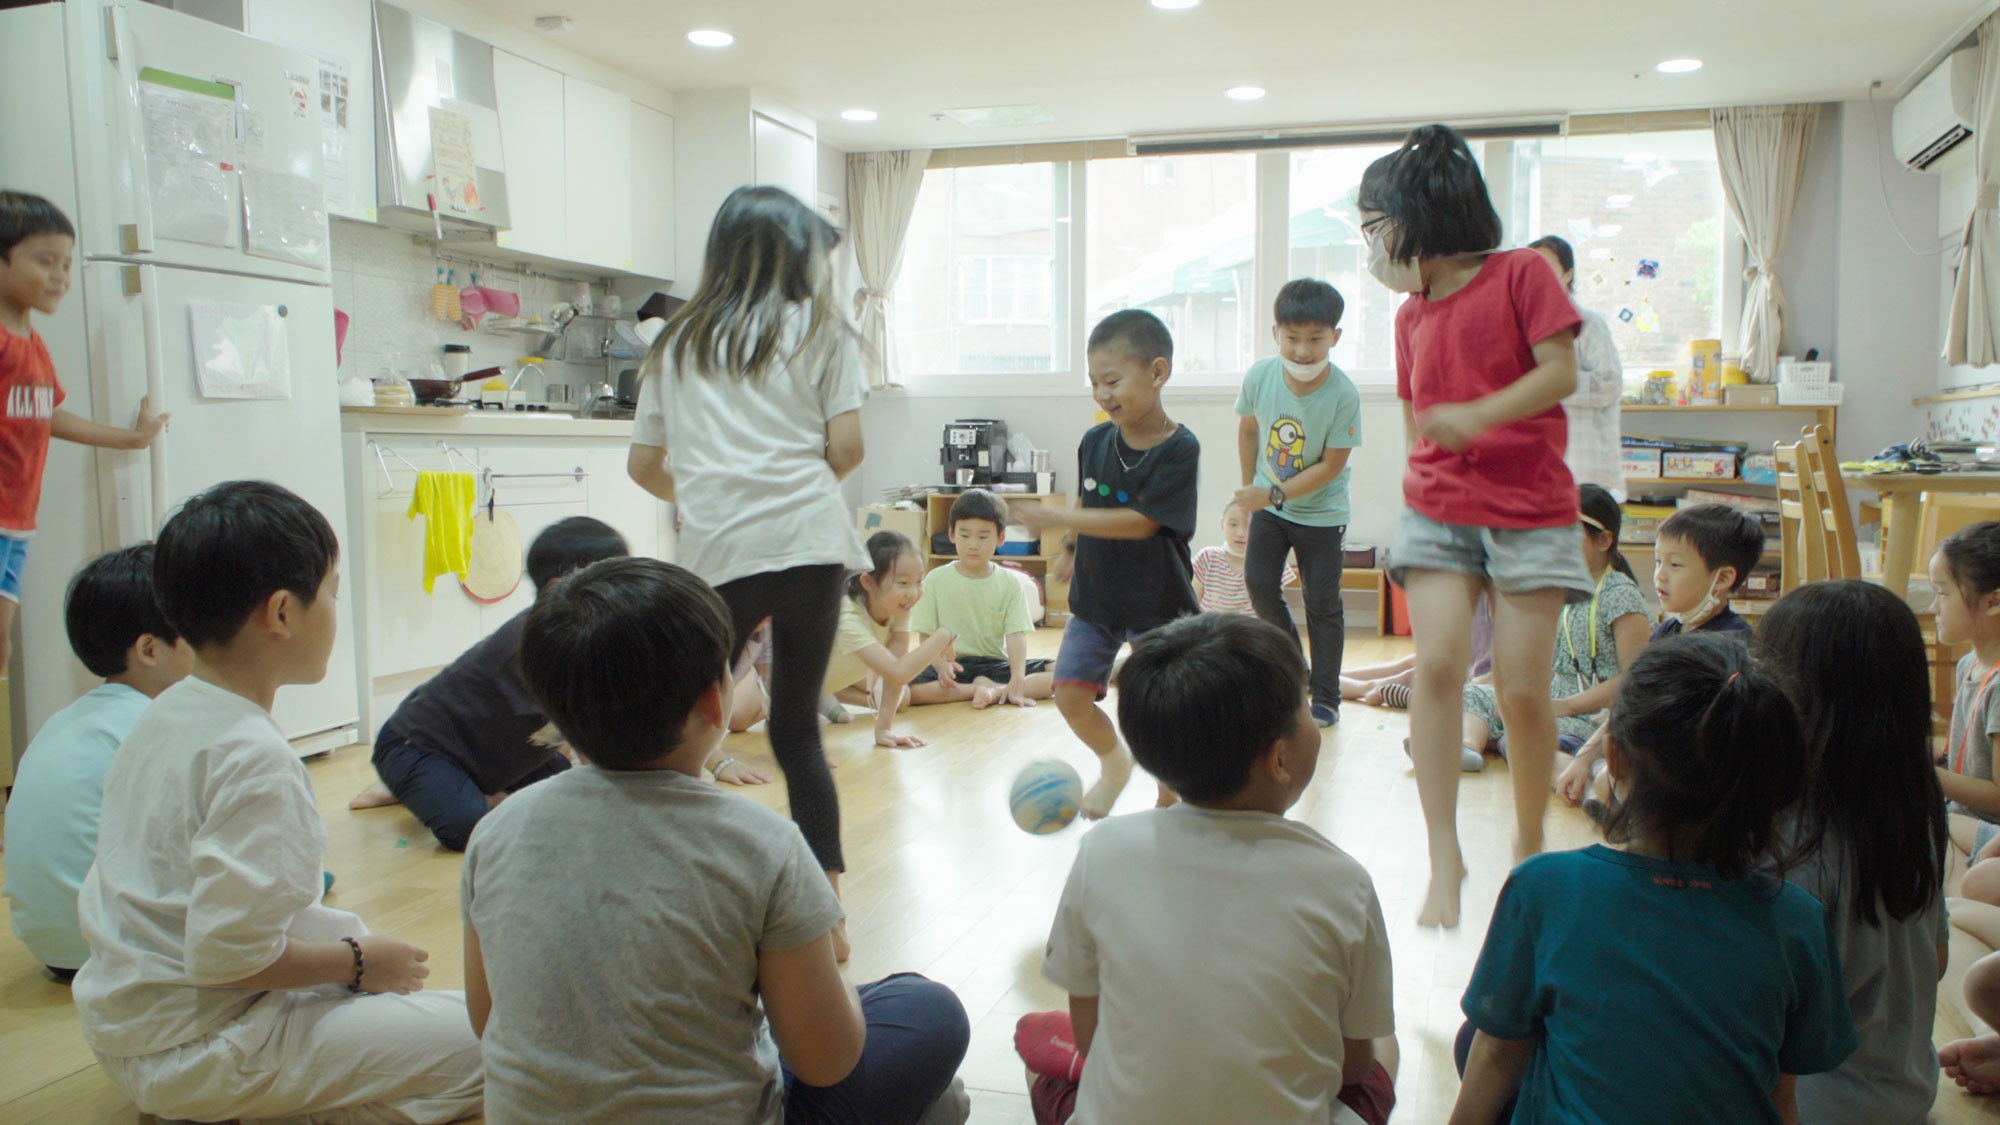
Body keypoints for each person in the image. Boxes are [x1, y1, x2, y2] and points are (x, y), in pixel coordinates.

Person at [463, 556, 970, 1124]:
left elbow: (487, 1020)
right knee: (927, 1009)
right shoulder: (763, 843)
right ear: (715, 699)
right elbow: (828, 1061)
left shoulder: (497, 831)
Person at [73, 481, 482, 1124]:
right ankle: (267, 1107)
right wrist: (357, 965)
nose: (336, 608)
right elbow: (225, 958)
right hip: (205, 1046)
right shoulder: (253, 758)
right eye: (334, 590)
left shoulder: (166, 710)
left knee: (392, 986)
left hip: (128, 1029)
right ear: (283, 613)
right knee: (502, 1045)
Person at [1450, 634, 1856, 1125]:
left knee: (1482, 1037)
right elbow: (1779, 1096)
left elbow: (1496, 1056)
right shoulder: (1797, 920)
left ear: (1616, 760)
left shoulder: (1546, 887)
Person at [1018, 613, 1396, 1125]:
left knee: (1040, 1055)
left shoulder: (1103, 850)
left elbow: (1089, 1038)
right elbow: (1353, 1064)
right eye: (1305, 709)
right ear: (1280, 758)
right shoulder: (1343, 881)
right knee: (1384, 1049)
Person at [626, 185, 867, 958]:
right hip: (809, 541)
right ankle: (827, 915)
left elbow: (643, 465)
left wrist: (704, 494)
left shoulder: (676, 339)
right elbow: (849, 449)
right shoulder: (825, 331)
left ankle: (668, 896)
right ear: (795, 255)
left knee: (685, 725)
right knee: (797, 729)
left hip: (719, 551)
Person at [1358, 124, 1587, 927]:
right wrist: (1423, 468)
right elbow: (1417, 418)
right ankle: (1443, 851)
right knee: (1440, 667)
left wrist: (1480, 416)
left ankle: (1528, 848)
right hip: (1439, 506)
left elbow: (1561, 370)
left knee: (1523, 690)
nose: (1372, 247)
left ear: (1417, 216)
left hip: (1531, 508)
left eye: (1374, 226)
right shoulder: (1410, 316)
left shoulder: (1522, 272)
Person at [350, 517, 769, 848]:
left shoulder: (582, 633)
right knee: (469, 827)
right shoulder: (546, 640)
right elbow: (603, 731)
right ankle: (416, 784)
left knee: (563, 793)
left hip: (512, 754)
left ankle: (428, 791)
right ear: (563, 584)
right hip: (420, 746)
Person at [1758, 581, 1949, 1125]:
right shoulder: (1915, 805)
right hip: (1904, 1093)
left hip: (1807, 1108)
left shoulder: (1781, 833)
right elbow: (1934, 960)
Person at [1014, 310, 1200, 819]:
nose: (1102, 393)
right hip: (1096, 599)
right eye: (1094, 382)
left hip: (1159, 604)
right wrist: (1071, 546)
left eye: (1113, 381)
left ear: (1158, 372)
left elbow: (1143, 522)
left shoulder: (1180, 449)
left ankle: (1171, 791)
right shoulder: (1096, 440)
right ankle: (1115, 764)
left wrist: (1059, 516)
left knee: (1163, 709)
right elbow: (1091, 502)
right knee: (1069, 693)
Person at [2, 545, 192, 981]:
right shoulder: (159, 726)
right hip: (121, 950)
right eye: (198, 632)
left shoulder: (63, 722)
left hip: (52, 946)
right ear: (150, 649)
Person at [0, 190, 167, 672]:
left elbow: (48, 416)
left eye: (67, 264)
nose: (60, 276)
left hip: (17, 522)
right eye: (45, 261)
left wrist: (132, 439)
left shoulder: (32, 344)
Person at [1553, 501, 1765, 806]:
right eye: (1657, 562)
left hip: (1694, 776)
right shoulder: (1669, 630)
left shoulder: (1729, 644)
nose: (1660, 576)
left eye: (1675, 565)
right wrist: (1584, 758)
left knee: (1607, 783)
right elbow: (1628, 700)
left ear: (1722, 578)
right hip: (1650, 759)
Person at [1231, 278, 1364, 726]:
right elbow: (1249, 430)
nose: (1303, 351)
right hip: (1271, 508)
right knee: (1260, 583)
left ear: (1335, 338)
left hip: (1323, 515)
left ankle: (1326, 697)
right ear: (1275, 334)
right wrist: (1250, 491)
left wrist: (1271, 492)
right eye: (1292, 339)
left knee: (1323, 603)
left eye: (1315, 339)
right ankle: (1297, 670)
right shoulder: (1260, 376)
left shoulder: (1343, 394)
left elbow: (1330, 466)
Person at [1457, 484, 1648, 772]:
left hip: (1593, 716)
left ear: (1604, 540)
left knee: (1526, 733)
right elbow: (1552, 660)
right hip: (1555, 699)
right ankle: (1468, 747)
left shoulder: (1621, 595)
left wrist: (1565, 705)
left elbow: (1633, 679)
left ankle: (1579, 777)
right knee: (1472, 693)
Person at [909, 488, 1055, 708]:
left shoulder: (1009, 582)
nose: (973, 544)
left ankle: (995, 691)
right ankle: (977, 689)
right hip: (952, 666)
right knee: (908, 690)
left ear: (1001, 537)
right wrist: (940, 665)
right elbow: (925, 636)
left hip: (994, 665)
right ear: (951, 534)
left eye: (983, 536)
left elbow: (1016, 637)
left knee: (1062, 673)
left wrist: (1017, 679)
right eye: (965, 535)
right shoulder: (935, 579)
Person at [822, 530, 960, 748]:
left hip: (825, 678)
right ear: (868, 582)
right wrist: (943, 636)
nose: (913, 592)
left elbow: (895, 675)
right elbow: (897, 670)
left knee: (902, 697)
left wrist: (884, 730)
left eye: (919, 581)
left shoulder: (897, 609)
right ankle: (817, 699)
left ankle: (820, 697)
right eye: (903, 582)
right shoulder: (847, 617)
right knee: (745, 718)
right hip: (774, 684)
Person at [1528, 235, 1626, 499]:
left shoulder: (1588, 324)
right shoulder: (1521, 326)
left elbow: (1610, 384)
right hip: (1539, 463)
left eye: (1547, 268)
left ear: (1568, 275)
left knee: (1586, 536)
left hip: (1585, 465)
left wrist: (1549, 384)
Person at [1932, 521, 2000, 863]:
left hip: (1990, 831)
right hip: (1964, 818)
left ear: (1993, 602)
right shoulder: (1969, 663)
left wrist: (1923, 774)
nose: (1934, 607)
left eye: (1943, 593)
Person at [1190, 500, 1294, 617]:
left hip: (1250, 631)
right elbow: (1192, 603)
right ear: (1222, 524)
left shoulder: (1271, 562)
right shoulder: (1207, 557)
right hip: (1212, 630)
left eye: (1249, 525)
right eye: (1233, 524)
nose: (1240, 533)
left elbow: (1273, 609)